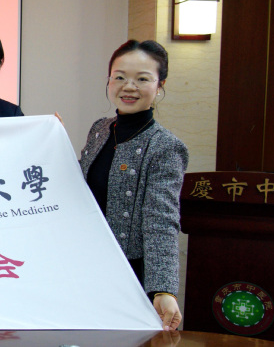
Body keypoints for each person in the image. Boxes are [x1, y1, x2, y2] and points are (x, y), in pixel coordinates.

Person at [79, 39, 188, 331]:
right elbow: (78, 186)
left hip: (130, 274)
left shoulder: (165, 146)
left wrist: (163, 289)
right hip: (87, 265)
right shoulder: (100, 129)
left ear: (160, 85)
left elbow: (161, 220)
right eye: (120, 77)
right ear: (109, 80)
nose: (129, 86)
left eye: (142, 79)